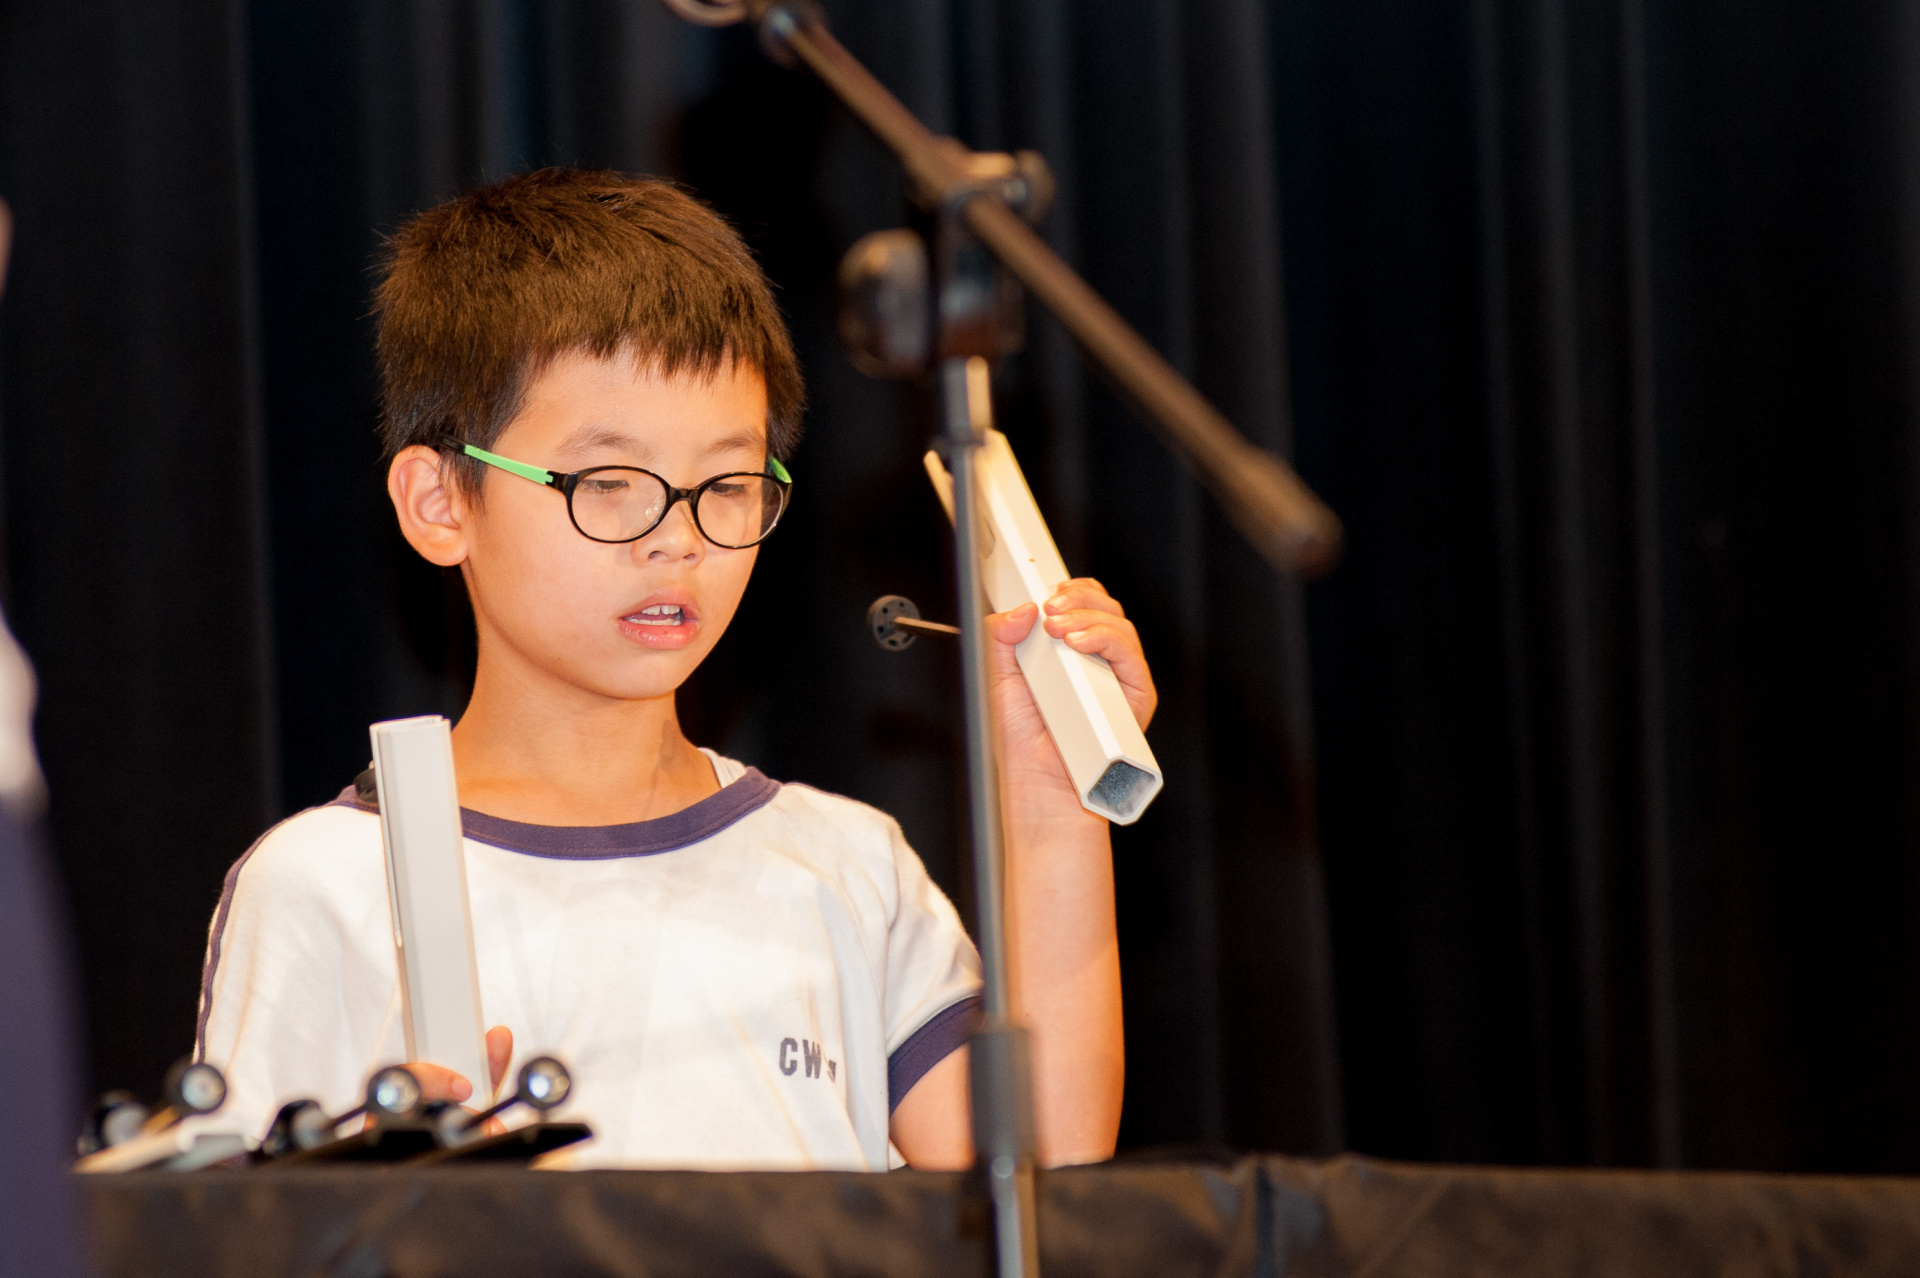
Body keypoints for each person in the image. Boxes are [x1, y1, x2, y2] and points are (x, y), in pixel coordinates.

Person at [195, 169, 1152, 1170]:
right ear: (440, 503)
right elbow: (233, 1226)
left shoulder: (845, 866)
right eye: (609, 481)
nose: (678, 537)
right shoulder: (330, 882)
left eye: (728, 483)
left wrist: (1054, 799)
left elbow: (1041, 1173)